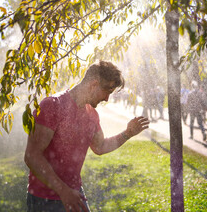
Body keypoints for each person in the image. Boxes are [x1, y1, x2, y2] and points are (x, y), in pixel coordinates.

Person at [24, 61, 150, 212]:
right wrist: (64, 191)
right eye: (107, 91)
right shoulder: (52, 106)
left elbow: (100, 146)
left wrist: (127, 134)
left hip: (75, 193)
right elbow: (32, 156)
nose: (107, 99)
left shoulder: (92, 115)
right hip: (45, 200)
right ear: (94, 84)